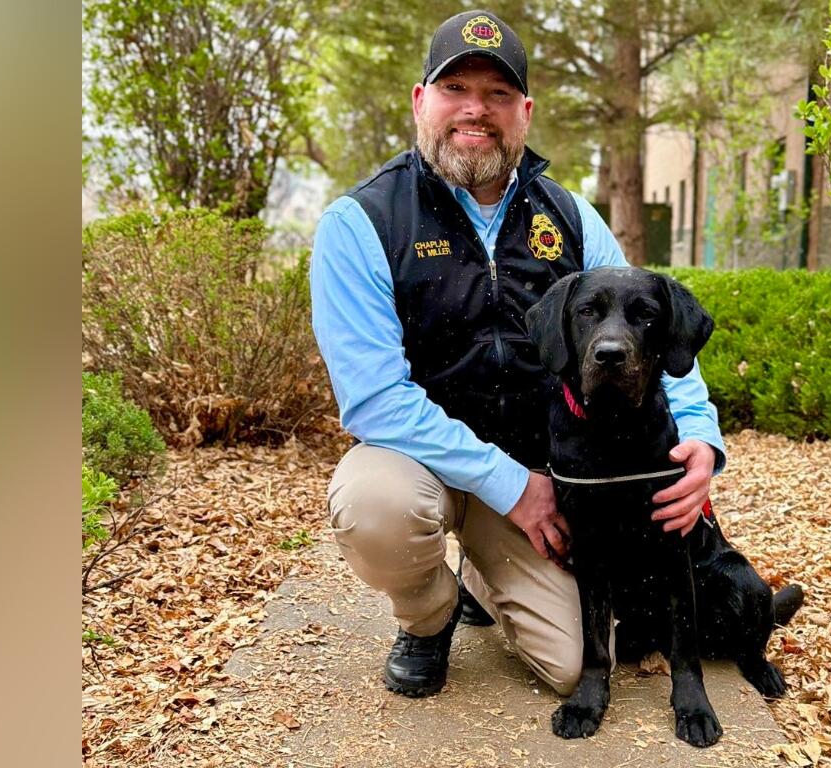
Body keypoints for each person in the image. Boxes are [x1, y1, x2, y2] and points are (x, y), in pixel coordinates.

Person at [309, 9, 726, 699]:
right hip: (428, 469)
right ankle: (428, 616)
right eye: (456, 88)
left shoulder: (567, 215)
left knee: (574, 666)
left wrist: (701, 441)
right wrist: (510, 486)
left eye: (498, 94)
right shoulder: (361, 223)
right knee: (373, 503)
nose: (476, 110)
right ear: (421, 101)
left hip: (547, 472)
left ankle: (485, 571)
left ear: (525, 112)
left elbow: (649, 326)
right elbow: (373, 398)